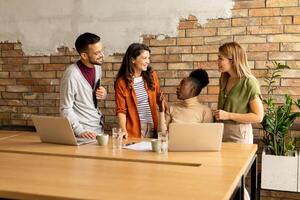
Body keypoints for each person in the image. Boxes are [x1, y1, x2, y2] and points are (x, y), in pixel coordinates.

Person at [214, 42, 264, 144]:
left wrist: (228, 115)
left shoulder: (249, 82)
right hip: (220, 131)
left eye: (220, 58)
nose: (217, 61)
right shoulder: (224, 78)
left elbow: (258, 116)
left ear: (232, 61)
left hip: (239, 135)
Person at [60, 32, 107, 139]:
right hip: (82, 134)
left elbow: (89, 97)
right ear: (84, 55)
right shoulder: (71, 75)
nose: (102, 55)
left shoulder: (97, 67)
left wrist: (103, 94)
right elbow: (65, 108)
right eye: (97, 53)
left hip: (98, 128)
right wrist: (79, 131)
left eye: (102, 51)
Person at [115, 43, 162, 138]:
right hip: (135, 129)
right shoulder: (121, 82)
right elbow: (121, 110)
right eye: (144, 58)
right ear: (133, 60)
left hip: (153, 126)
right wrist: (123, 130)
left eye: (148, 58)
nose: (148, 61)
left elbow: (160, 98)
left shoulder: (152, 76)